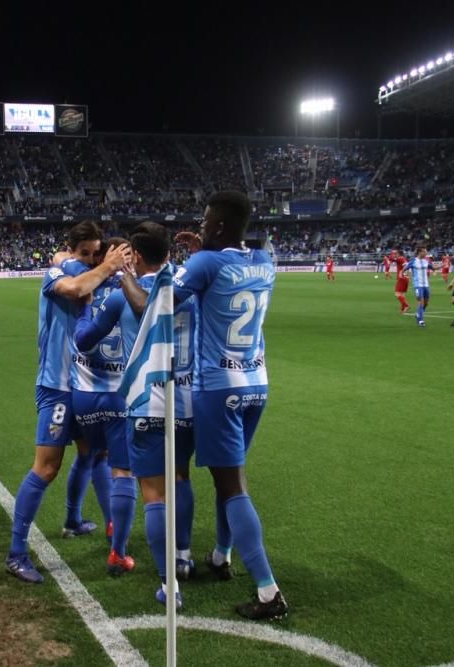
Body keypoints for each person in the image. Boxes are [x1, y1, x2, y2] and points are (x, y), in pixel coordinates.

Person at [170, 191, 287, 620]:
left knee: (233, 486)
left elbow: (160, 305)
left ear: (218, 225)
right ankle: (221, 555)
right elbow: (224, 272)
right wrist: (204, 253)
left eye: (204, 221)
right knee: (230, 477)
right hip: (257, 381)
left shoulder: (204, 264)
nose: (199, 226)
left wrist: (125, 274)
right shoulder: (264, 261)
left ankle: (268, 591)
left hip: (217, 386)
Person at [75, 222, 198, 607]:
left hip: (146, 399)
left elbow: (84, 339)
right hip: (189, 397)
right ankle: (184, 556)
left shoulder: (118, 298)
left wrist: (83, 311)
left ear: (136, 257)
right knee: (181, 476)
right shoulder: (188, 285)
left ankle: (168, 584)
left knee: (154, 494)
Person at [5, 221, 130, 584]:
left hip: (85, 386)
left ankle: (85, 524)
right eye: (84, 253)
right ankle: (16, 553)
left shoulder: (97, 277)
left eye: (96, 253)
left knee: (94, 455)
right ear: (72, 250)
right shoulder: (58, 272)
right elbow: (74, 287)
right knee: (46, 468)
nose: (90, 260)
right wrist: (105, 265)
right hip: (57, 385)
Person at [66, 237, 135, 574]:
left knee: (95, 456)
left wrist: (83, 314)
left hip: (85, 394)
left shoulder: (85, 288)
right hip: (121, 394)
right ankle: (118, 550)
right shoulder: (134, 293)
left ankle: (103, 520)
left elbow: (82, 338)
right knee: (124, 470)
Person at [404, 247, 434, 327]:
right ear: (420, 252)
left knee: (426, 303)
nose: (426, 254)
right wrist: (404, 274)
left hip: (426, 285)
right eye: (425, 252)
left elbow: (433, 268)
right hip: (418, 285)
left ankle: (418, 313)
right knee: (421, 301)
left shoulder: (426, 261)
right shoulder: (413, 261)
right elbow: (405, 269)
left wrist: (442, 265)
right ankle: (420, 320)